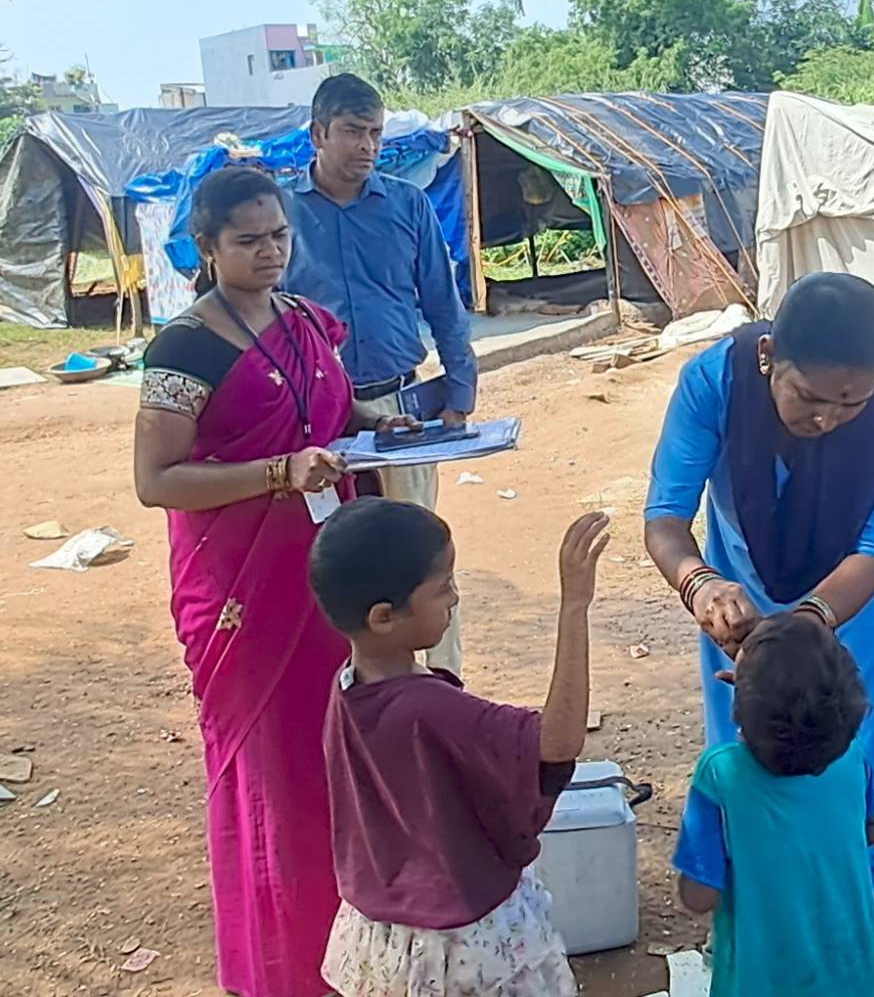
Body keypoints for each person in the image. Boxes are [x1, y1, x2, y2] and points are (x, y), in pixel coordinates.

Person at [644, 272, 874, 963]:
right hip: (739, 602)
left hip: (863, 607)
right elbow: (665, 519)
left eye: (850, 403)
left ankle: (871, 932)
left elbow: (871, 554)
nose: (827, 420)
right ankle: (766, 915)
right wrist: (701, 585)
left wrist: (806, 623)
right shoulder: (713, 384)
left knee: (872, 749)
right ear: (770, 355)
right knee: (756, 753)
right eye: (809, 397)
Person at [132, 165, 358, 997]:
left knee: (334, 756)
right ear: (207, 246)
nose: (270, 252)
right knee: (271, 772)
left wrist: (385, 422)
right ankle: (278, 970)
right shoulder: (185, 345)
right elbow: (156, 480)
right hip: (239, 592)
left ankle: (350, 953)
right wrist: (276, 473)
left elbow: (327, 418)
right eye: (248, 239)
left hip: (326, 573)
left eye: (280, 235)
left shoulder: (302, 320)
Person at [307, 498, 610, 997]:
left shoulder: (347, 687)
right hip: (463, 946)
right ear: (383, 617)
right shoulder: (427, 709)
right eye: (442, 586)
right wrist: (574, 605)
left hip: (382, 935)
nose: (454, 597)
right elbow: (557, 742)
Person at [284, 72, 477, 673]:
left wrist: (460, 390)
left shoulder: (408, 204)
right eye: (352, 132)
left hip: (402, 413)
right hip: (317, 421)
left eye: (374, 133)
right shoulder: (281, 214)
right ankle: (345, 692)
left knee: (419, 557)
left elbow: (443, 301)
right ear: (318, 134)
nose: (367, 146)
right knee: (333, 560)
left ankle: (438, 686)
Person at [674, 613, 874, 997]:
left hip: (760, 981)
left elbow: (698, 896)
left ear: (740, 706)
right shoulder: (852, 759)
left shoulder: (721, 774)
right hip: (856, 976)